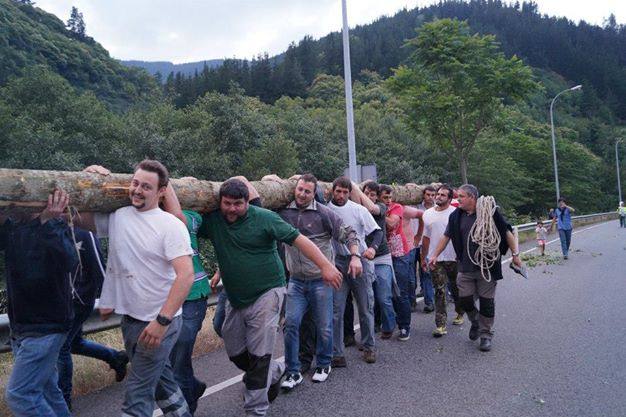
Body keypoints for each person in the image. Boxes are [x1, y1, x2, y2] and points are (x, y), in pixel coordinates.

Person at [198, 177, 342, 417]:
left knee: (259, 354)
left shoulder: (264, 218)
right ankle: (274, 372)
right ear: (220, 202)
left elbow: (300, 240)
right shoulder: (214, 221)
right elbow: (182, 221)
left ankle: (256, 409)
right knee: (235, 350)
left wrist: (326, 266)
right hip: (236, 297)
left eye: (238, 204)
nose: (232, 209)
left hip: (268, 292)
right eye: (227, 203)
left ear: (247, 202)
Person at [78, 161, 195, 417]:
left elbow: (186, 276)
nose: (138, 190)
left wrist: (161, 322)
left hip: (159, 323)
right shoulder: (119, 216)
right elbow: (82, 220)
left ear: (162, 191)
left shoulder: (170, 226)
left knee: (137, 396)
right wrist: (87, 177)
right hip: (131, 320)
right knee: (162, 385)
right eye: (135, 183)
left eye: (146, 186)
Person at [271, 174, 360, 390]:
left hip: (321, 281)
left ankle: (323, 363)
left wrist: (356, 256)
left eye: (307, 191)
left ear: (314, 193)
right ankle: (293, 372)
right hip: (296, 281)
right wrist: (273, 178)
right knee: (290, 324)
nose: (302, 194)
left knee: (324, 326)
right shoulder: (283, 212)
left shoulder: (323, 214)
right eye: (299, 189)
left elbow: (350, 234)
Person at [1, 189, 77, 417]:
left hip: (46, 328)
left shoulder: (54, 226)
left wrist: (49, 222)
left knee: (20, 394)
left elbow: (69, 261)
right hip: (23, 328)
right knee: (47, 391)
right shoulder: (13, 228)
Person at [429, 184, 523, 352]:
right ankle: (475, 322)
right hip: (465, 266)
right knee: (464, 299)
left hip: (487, 266)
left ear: (472, 197)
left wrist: (516, 255)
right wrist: (435, 255)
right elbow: (446, 236)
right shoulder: (456, 216)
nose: (458, 200)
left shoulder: (489, 212)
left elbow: (507, 232)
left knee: (487, 303)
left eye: (462, 197)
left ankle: (486, 335)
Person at [56, 226, 129, 410]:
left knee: (62, 347)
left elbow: (100, 268)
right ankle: (116, 358)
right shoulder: (53, 229)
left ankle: (63, 402)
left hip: (79, 300)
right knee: (74, 343)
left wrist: (108, 298)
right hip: (61, 301)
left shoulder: (84, 233)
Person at [161, 181, 211, 415]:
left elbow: (176, 217)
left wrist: (163, 179)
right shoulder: (147, 218)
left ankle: (186, 408)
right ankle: (193, 386)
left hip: (192, 298)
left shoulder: (191, 217)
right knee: (172, 361)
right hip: (165, 300)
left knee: (176, 361)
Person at [328, 177, 383, 366]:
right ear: (332, 191)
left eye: (345, 192)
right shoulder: (325, 210)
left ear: (350, 192)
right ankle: (336, 353)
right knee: (336, 309)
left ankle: (369, 346)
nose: (341, 195)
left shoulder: (358, 209)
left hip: (359, 261)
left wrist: (373, 248)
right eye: (338, 192)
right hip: (337, 263)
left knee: (365, 306)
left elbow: (377, 231)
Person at [352, 181, 397, 340]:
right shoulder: (356, 208)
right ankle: (371, 328)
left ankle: (389, 324)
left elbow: (372, 208)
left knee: (383, 297)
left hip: (381, 256)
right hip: (363, 257)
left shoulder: (381, 208)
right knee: (367, 299)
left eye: (373, 194)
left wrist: (355, 186)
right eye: (367, 193)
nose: (369, 197)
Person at [421, 185, 464, 338]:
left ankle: (460, 312)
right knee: (439, 291)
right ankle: (441, 325)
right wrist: (423, 258)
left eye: (442, 195)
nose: (438, 197)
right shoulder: (427, 214)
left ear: (450, 199)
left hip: (454, 257)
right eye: (437, 194)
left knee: (456, 288)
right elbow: (425, 238)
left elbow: (462, 236)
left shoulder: (457, 213)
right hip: (435, 258)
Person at [379, 185, 416, 341]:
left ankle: (404, 326)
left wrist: (378, 210)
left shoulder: (396, 207)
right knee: (385, 293)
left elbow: (391, 224)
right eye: (385, 197)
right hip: (381, 255)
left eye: (390, 197)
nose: (388, 200)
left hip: (399, 254)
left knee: (401, 292)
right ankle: (388, 323)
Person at [410, 185, 436, 313]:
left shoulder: (437, 209)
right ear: (423, 195)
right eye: (428, 195)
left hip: (428, 245)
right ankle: (412, 301)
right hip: (413, 244)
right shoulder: (415, 207)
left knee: (426, 273)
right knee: (411, 275)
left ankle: (429, 302)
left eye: (432, 195)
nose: (430, 198)